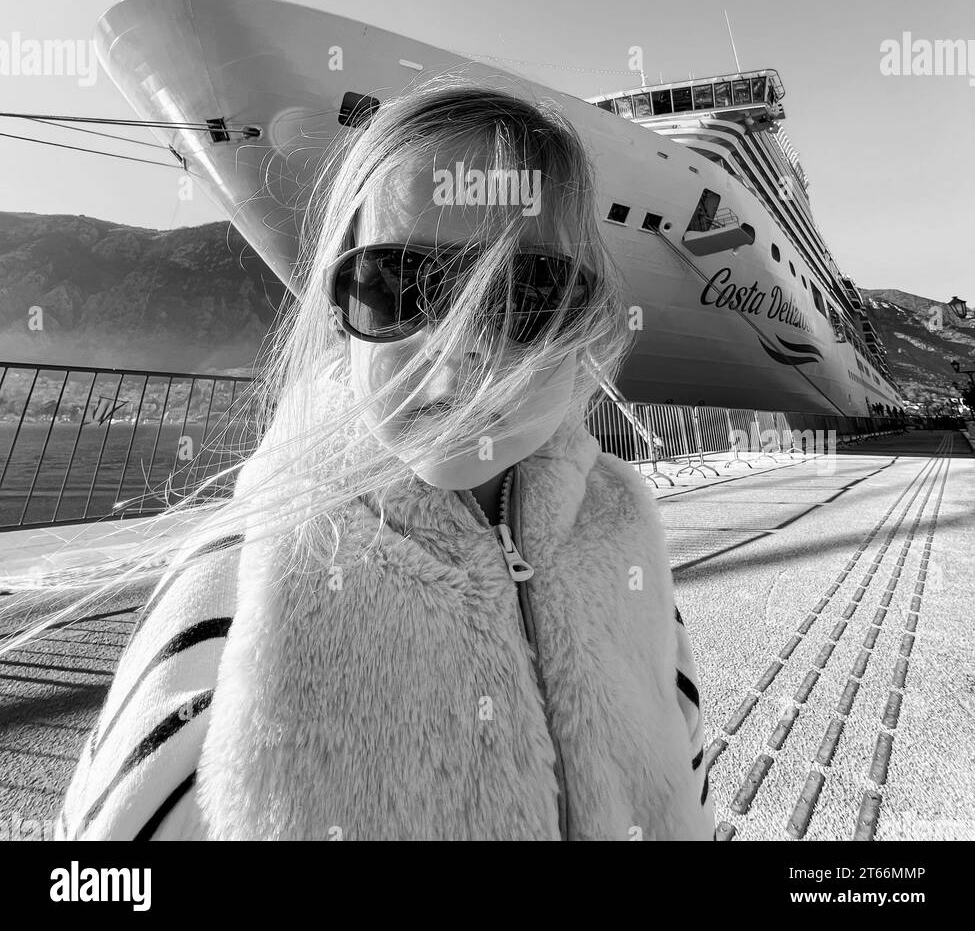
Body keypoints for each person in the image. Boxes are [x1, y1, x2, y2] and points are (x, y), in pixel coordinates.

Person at [50, 79, 714, 841]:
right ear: (337, 316)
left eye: (527, 293)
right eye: (397, 286)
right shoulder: (243, 575)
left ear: (586, 323)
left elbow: (684, 780)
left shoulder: (625, 541)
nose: (457, 353)